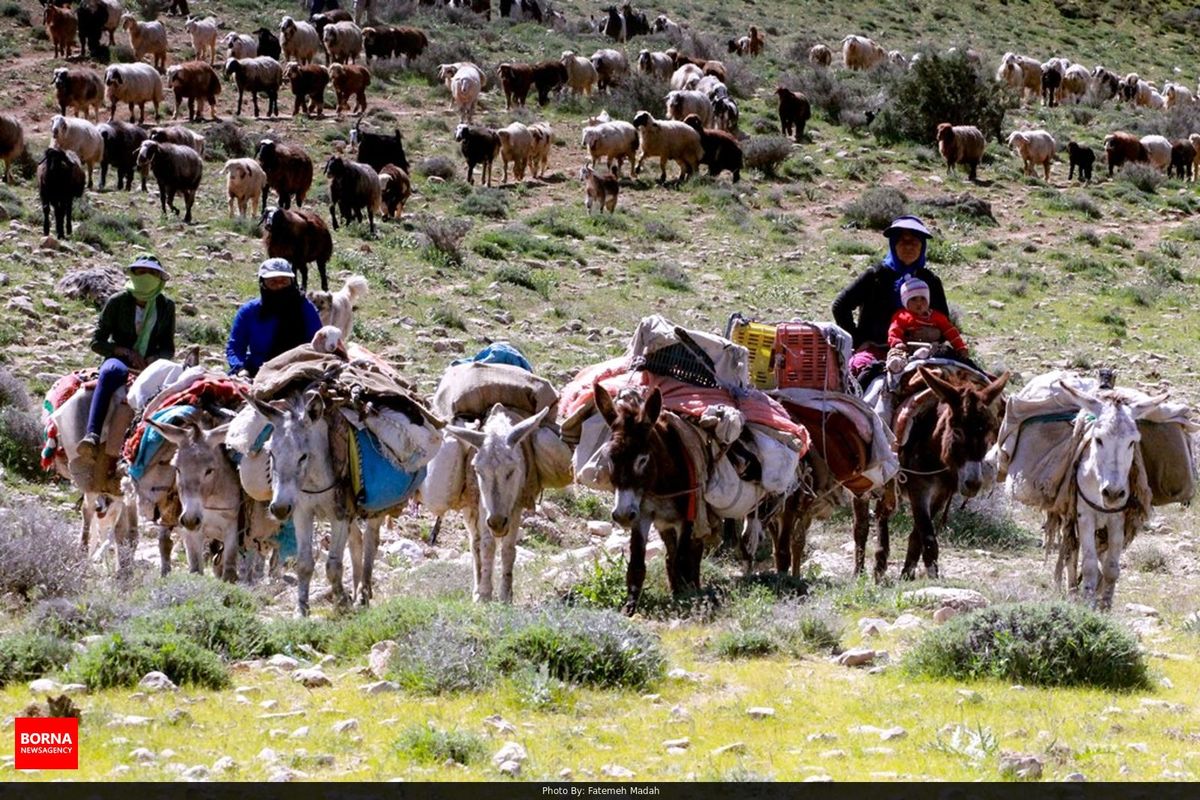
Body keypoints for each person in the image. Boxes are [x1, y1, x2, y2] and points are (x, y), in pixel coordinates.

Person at [831, 215, 949, 389]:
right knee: (860, 380)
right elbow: (840, 306)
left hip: (922, 350)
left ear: (922, 246)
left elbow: (944, 320)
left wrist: (935, 333)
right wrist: (858, 341)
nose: (909, 246)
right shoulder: (876, 276)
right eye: (903, 241)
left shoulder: (930, 280)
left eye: (914, 242)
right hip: (877, 349)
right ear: (893, 244)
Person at [78, 256, 176, 456]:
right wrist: (123, 351)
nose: (146, 277)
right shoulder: (118, 302)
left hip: (151, 363)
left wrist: (153, 358)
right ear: (132, 274)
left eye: (152, 273)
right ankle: (92, 434)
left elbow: (168, 347)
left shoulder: (166, 306)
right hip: (120, 359)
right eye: (141, 272)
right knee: (111, 372)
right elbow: (97, 342)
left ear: (160, 279)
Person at [226, 258, 323, 379]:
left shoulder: (305, 308)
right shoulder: (249, 311)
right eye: (273, 282)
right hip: (257, 371)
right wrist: (240, 369)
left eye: (284, 281)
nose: (279, 286)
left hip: (299, 371)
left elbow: (318, 343)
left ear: (292, 281)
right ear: (263, 284)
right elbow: (235, 347)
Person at [887, 276, 968, 357]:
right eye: (913, 299)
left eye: (923, 298)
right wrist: (897, 342)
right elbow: (895, 330)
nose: (919, 303)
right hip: (908, 349)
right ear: (905, 301)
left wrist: (960, 347)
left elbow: (951, 332)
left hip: (933, 349)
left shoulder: (937, 316)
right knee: (895, 355)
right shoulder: (902, 316)